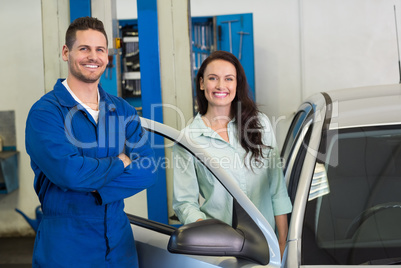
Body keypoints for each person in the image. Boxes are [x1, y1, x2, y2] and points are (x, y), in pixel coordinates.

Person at [25, 17, 156, 267]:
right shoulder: (46, 113)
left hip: (119, 246)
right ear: (66, 52)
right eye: (84, 48)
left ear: (107, 56)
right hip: (68, 247)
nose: (92, 57)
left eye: (100, 50)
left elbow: (148, 170)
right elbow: (69, 174)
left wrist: (96, 190)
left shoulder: (122, 109)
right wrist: (120, 162)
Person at [172, 50, 292, 257]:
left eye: (229, 79)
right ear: (201, 84)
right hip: (221, 248)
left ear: (237, 84)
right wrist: (208, 232)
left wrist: (283, 242)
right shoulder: (188, 139)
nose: (221, 86)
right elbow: (185, 203)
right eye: (213, 78)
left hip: (268, 244)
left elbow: (277, 189)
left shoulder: (260, 124)